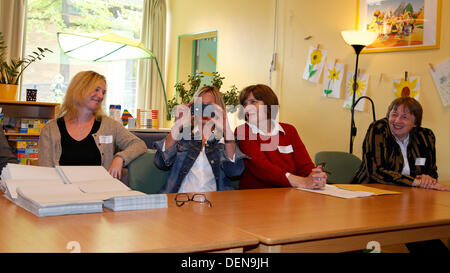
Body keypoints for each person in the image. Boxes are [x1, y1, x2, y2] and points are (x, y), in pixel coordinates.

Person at [38, 70, 147, 179]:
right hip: (63, 193)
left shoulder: (110, 126)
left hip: (100, 193)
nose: (100, 96)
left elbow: (139, 144)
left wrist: (120, 158)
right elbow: (45, 173)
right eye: (97, 90)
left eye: (103, 92)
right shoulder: (50, 130)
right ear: (79, 89)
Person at [153, 86, 246, 193]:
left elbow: (235, 171)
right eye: (200, 105)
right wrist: (178, 125)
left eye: (209, 107)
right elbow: (161, 163)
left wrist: (226, 128)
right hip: (179, 199)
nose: (204, 111)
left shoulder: (225, 140)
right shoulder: (182, 136)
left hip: (215, 203)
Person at [234, 84, 327, 189]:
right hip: (257, 195)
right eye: (244, 104)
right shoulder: (242, 131)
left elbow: (304, 165)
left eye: (253, 102)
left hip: (291, 194)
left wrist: (314, 176)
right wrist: (302, 182)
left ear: (268, 104)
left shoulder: (289, 130)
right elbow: (262, 168)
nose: (247, 108)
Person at [351, 96, 450, 191]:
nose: (397, 121)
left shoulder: (425, 136)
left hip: (408, 194)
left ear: (415, 123)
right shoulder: (379, 129)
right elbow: (375, 171)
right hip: (368, 190)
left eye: (404, 117)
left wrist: (427, 179)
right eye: (394, 114)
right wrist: (415, 182)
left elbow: (431, 171)